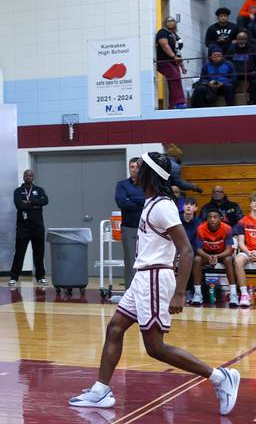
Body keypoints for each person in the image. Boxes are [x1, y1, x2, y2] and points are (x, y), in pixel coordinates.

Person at [68, 152, 240, 416]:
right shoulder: (150, 202)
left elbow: (187, 250)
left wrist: (180, 293)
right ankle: (101, 390)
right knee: (115, 328)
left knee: (155, 348)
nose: (134, 173)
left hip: (155, 278)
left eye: (139, 169)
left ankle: (220, 377)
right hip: (142, 277)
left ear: (150, 175)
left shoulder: (163, 206)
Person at [8, 170, 49, 286]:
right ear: (23, 177)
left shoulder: (39, 190)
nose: (28, 177)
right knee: (19, 253)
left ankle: (40, 276)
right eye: (26, 175)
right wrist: (36, 205)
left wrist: (29, 201)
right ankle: (14, 277)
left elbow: (45, 201)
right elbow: (19, 205)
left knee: (39, 253)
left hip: (37, 227)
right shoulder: (18, 191)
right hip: (23, 227)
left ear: (33, 177)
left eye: (30, 176)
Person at [190, 208, 238, 307]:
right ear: (206, 219)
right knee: (197, 259)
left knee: (229, 259)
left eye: (215, 217)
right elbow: (198, 249)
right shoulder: (201, 228)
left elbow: (229, 250)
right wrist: (208, 256)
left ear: (220, 218)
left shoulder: (227, 228)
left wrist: (217, 256)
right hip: (206, 255)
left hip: (222, 254)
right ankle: (198, 294)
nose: (212, 219)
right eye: (210, 217)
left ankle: (233, 294)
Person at [115, 158, 145, 290]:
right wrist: (140, 201)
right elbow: (121, 203)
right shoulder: (122, 184)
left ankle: (144, 291)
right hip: (129, 228)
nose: (134, 169)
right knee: (130, 262)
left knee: (145, 262)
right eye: (131, 167)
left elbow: (148, 200)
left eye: (136, 167)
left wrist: (131, 198)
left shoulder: (146, 184)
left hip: (146, 228)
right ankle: (130, 292)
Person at [155, 16, 187, 109]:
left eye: (172, 21)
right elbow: (164, 45)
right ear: (165, 22)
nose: (171, 23)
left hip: (174, 62)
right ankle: (180, 102)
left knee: (174, 80)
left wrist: (182, 66)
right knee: (175, 77)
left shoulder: (176, 36)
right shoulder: (162, 32)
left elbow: (178, 51)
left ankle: (172, 104)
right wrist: (173, 57)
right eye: (168, 21)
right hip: (164, 61)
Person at [232, 192, 256, 308]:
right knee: (238, 260)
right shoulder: (243, 221)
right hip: (248, 251)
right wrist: (249, 253)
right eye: (254, 201)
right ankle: (244, 295)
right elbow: (241, 243)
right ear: (250, 204)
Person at [228, 31, 256, 105]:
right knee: (230, 83)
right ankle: (230, 103)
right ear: (237, 39)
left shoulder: (252, 48)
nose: (241, 41)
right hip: (235, 72)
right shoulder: (231, 48)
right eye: (240, 39)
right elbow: (228, 61)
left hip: (249, 71)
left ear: (246, 39)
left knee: (254, 82)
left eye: (243, 39)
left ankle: (252, 101)